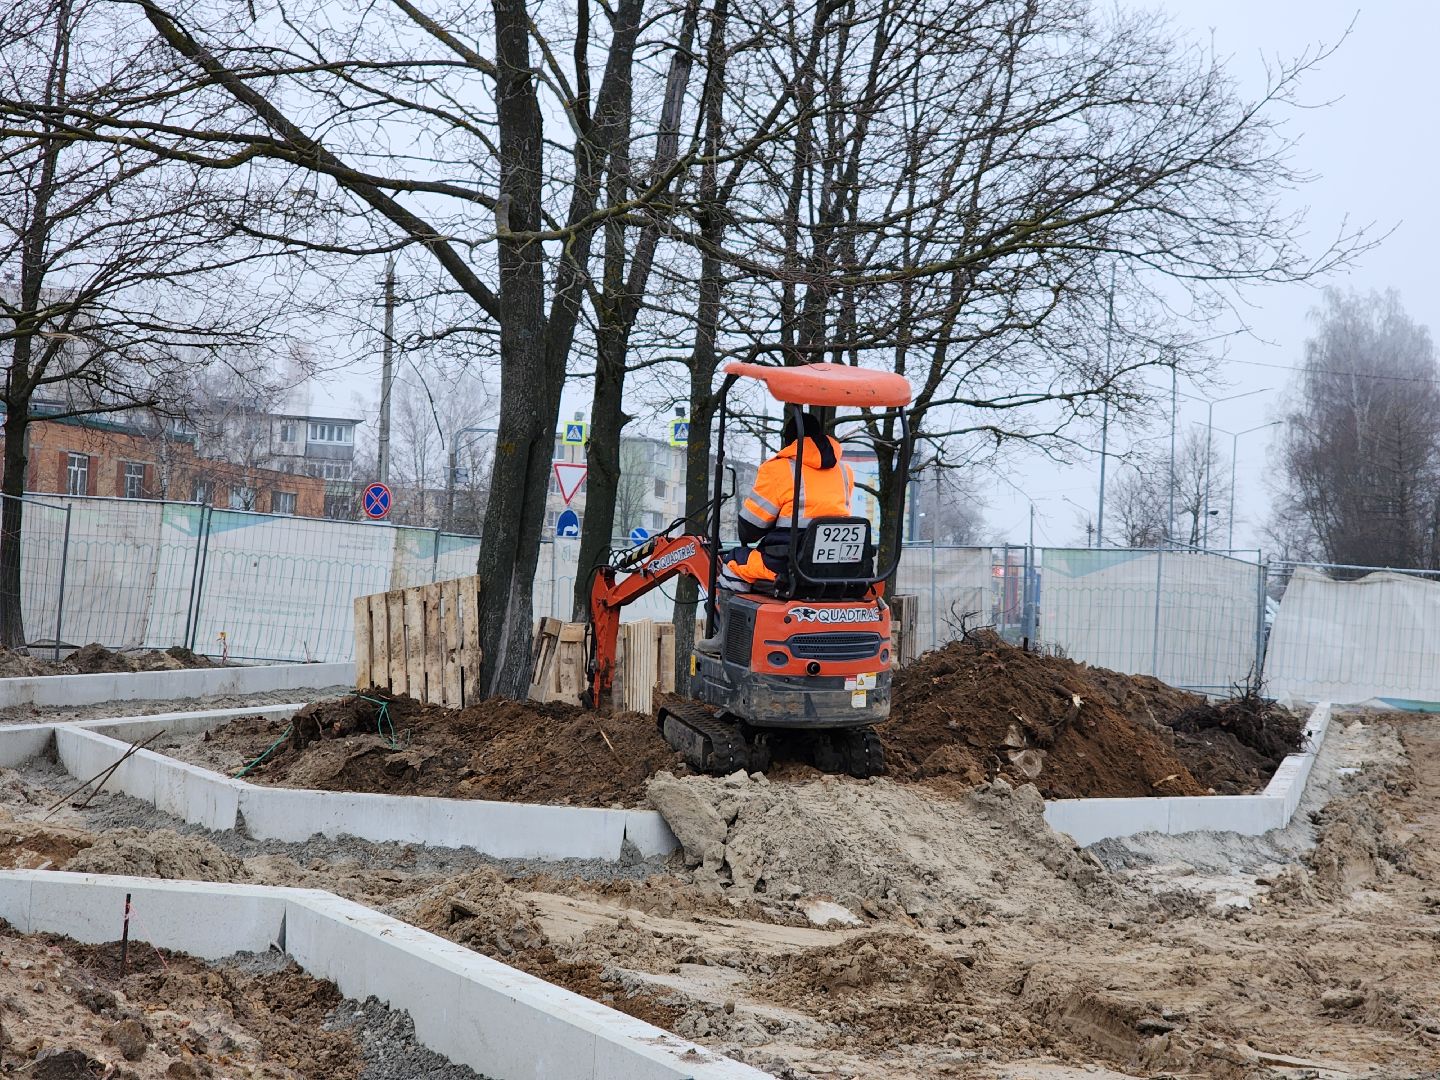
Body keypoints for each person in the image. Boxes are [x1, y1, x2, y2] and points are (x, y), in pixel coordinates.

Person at [717, 411, 855, 592]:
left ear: (789, 441)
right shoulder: (845, 471)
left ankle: (729, 620)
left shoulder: (778, 469)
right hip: (837, 568)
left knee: (734, 562)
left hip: (788, 566)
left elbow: (750, 529)